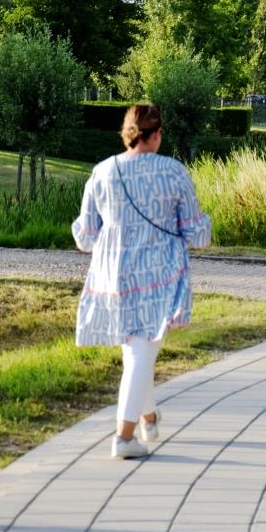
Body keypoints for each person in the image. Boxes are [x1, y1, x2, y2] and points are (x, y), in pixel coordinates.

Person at [72, 103, 212, 459]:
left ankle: (149, 418)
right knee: (140, 352)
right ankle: (124, 436)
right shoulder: (172, 172)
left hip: (113, 273)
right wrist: (202, 226)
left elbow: (86, 236)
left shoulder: (102, 171)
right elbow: (197, 234)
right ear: (156, 134)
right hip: (159, 274)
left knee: (136, 351)